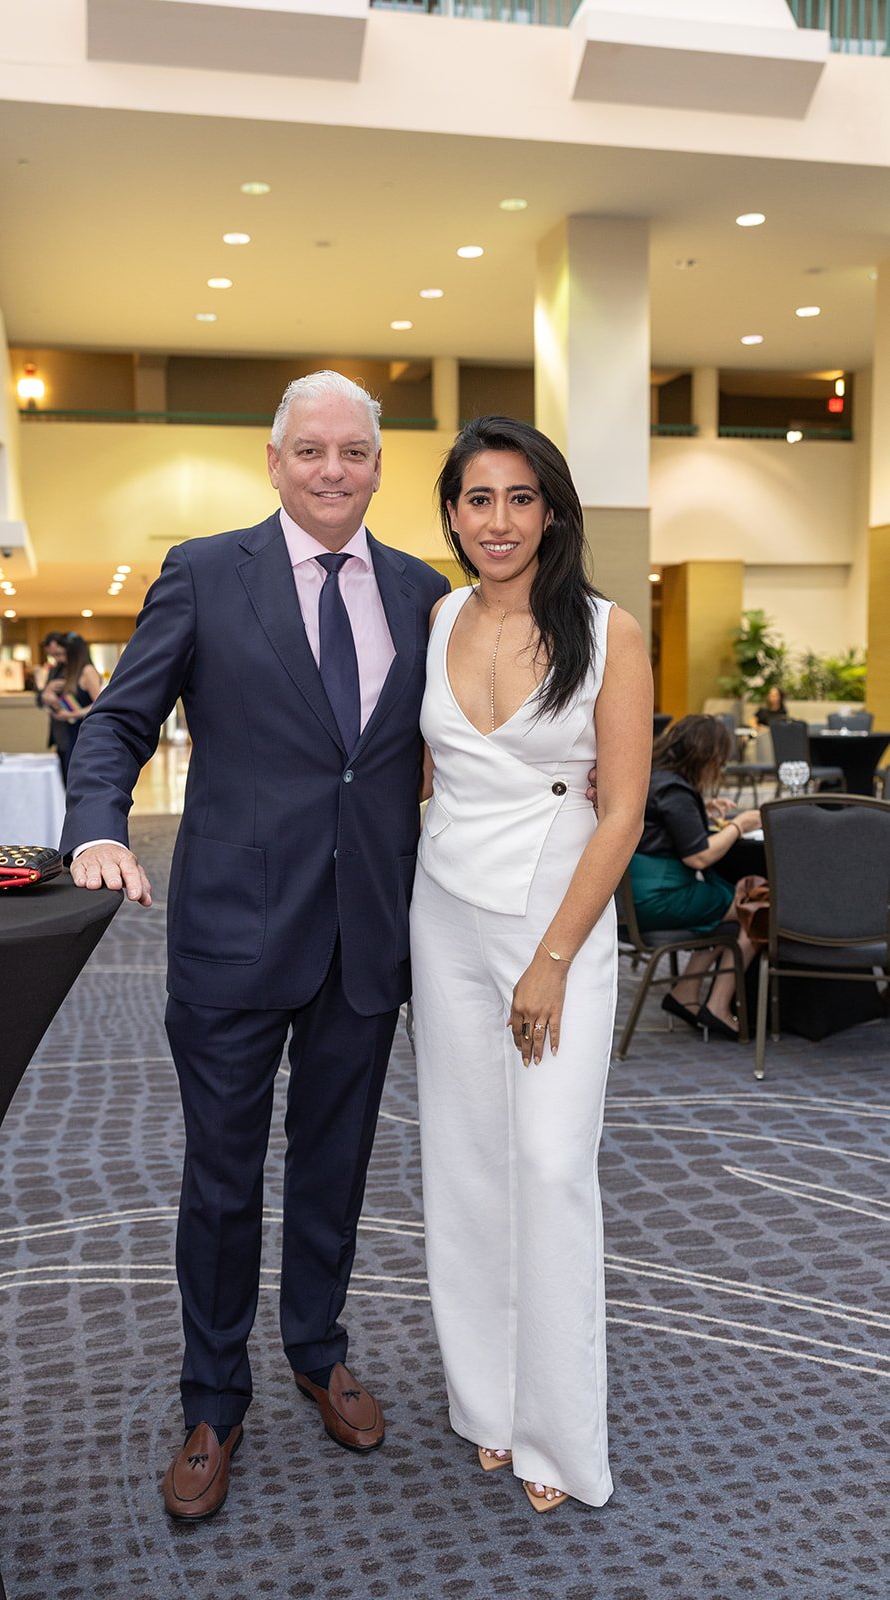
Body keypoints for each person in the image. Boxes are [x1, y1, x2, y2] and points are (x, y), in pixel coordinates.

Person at [59, 371, 452, 1521]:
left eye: (356, 452)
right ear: (272, 461)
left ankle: (316, 1348)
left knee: (333, 1171)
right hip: (232, 930)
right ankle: (212, 1399)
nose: (334, 470)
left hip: (366, 939)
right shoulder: (202, 572)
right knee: (222, 1184)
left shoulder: (424, 594)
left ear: (378, 466)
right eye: (311, 451)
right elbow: (120, 719)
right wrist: (95, 828)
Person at [410, 417, 651, 1515]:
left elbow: (626, 810)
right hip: (444, 914)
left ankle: (557, 1427)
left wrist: (552, 957)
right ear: (451, 512)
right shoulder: (437, 617)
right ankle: (488, 1406)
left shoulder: (609, 631)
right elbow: (424, 783)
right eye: (475, 498)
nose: (495, 521)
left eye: (517, 498)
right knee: (464, 1162)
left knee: (548, 1165)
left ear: (550, 510)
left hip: (556, 917)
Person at [630, 713, 761, 1038]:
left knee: (730, 914)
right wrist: (738, 825)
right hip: (661, 897)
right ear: (704, 756)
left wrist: (700, 809)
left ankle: (685, 994)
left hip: (632, 898)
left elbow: (664, 823)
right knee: (756, 904)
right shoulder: (675, 791)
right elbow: (699, 856)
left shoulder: (654, 778)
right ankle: (718, 1004)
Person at [39, 632, 102, 784]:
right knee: (68, 781)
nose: (59, 658)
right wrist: (48, 694)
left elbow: (100, 703)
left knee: (78, 781)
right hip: (67, 735)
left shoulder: (87, 671)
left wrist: (72, 714)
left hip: (82, 732)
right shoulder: (67, 671)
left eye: (62, 654)